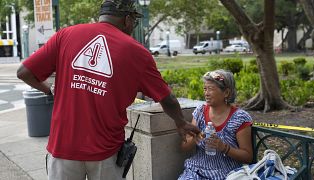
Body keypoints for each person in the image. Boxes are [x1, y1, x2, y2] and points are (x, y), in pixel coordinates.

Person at [17, 0, 200, 179]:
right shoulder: (137, 52)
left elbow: (24, 72)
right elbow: (166, 98)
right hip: (105, 152)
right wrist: (180, 122)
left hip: (63, 147)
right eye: (134, 21)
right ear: (127, 19)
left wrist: (49, 90)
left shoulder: (66, 35)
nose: (133, 26)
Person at [178, 69, 253, 180]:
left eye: (211, 89)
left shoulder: (239, 118)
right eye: (205, 89)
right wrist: (196, 138)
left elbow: (248, 157)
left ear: (226, 93)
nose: (206, 93)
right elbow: (184, 147)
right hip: (196, 171)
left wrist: (224, 148)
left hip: (226, 174)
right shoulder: (200, 112)